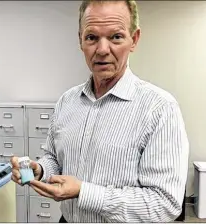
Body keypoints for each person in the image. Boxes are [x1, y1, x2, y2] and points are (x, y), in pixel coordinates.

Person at [11, 0, 189, 222]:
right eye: (92, 37)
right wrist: (40, 170)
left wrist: (84, 192)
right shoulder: (67, 101)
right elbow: (55, 158)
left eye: (116, 37)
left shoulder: (160, 109)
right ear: (80, 40)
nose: (102, 50)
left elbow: (164, 203)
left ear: (134, 39)